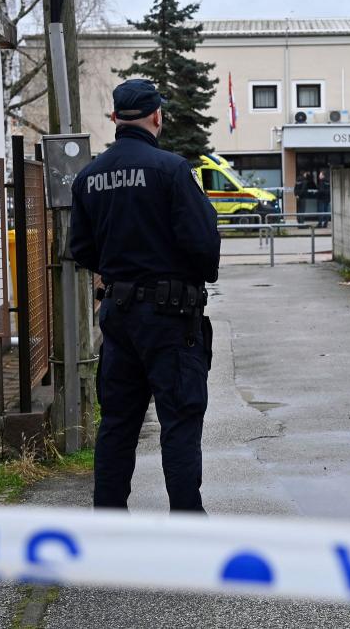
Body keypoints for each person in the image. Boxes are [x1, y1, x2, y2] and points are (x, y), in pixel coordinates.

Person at [70, 78, 220, 512]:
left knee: (117, 422)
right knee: (180, 419)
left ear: (115, 119)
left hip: (118, 317)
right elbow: (203, 242)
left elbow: (81, 249)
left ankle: (109, 520)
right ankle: (187, 521)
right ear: (157, 115)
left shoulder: (88, 178)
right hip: (171, 318)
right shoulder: (172, 170)